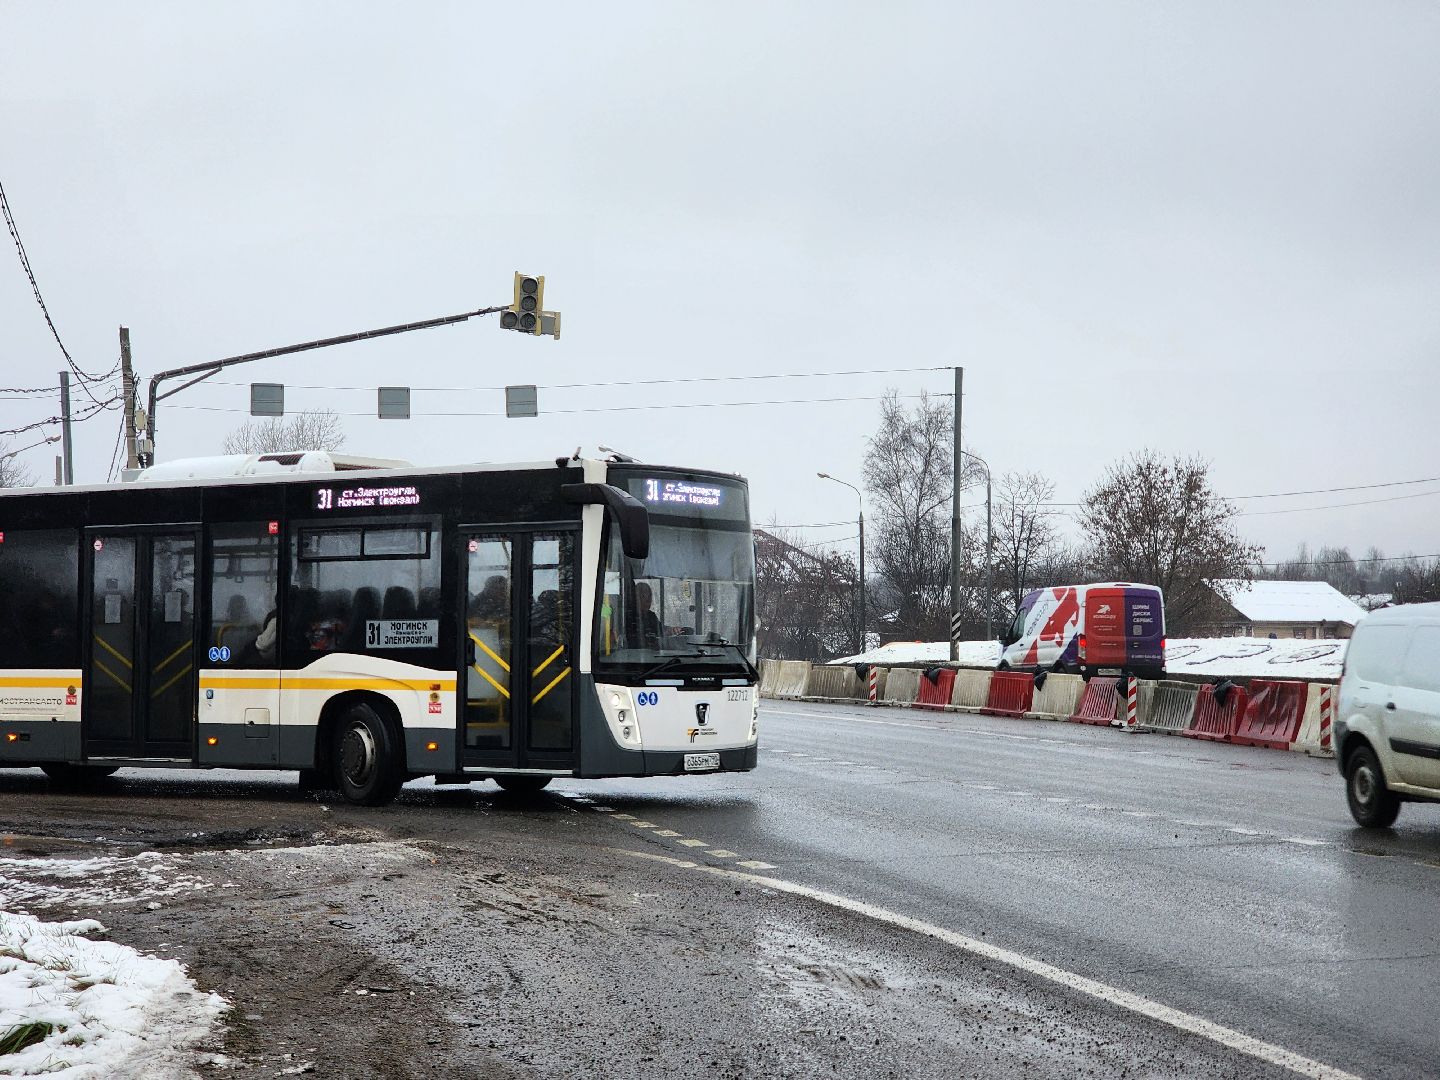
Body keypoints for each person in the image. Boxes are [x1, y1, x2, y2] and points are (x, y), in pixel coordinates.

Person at [635, 581, 661, 649]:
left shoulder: (651, 615)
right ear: (635, 598)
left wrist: (672, 630)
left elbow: (661, 630)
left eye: (650, 596)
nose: (648, 600)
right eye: (643, 596)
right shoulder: (627, 618)